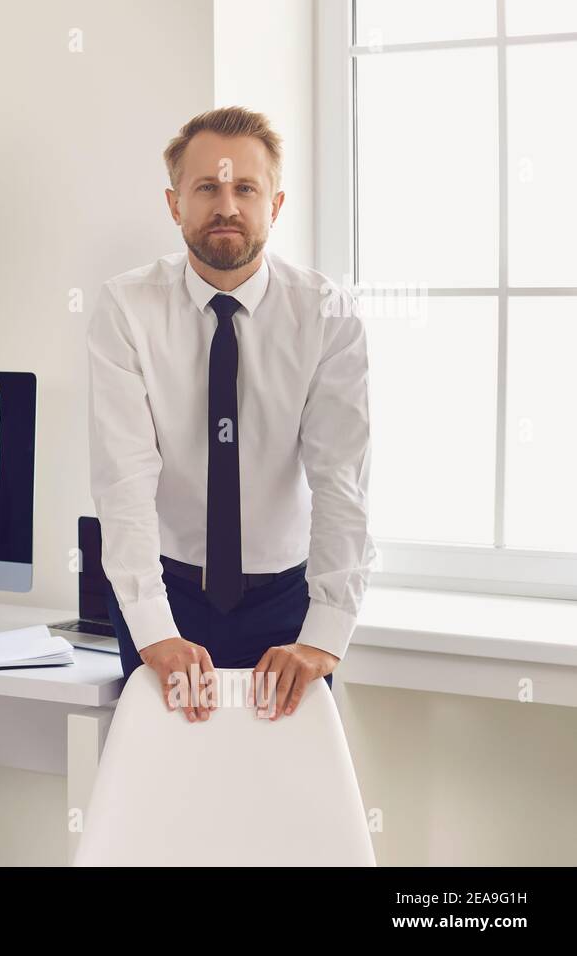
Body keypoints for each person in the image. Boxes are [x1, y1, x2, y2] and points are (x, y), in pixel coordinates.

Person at [87, 106, 376, 723]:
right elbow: (124, 481)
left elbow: (341, 481)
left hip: (285, 601)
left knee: (282, 798)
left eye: (246, 188)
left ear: (275, 204)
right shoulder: (126, 308)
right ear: (174, 204)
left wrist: (325, 633)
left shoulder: (327, 312)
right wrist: (152, 629)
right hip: (166, 591)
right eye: (207, 188)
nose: (228, 206)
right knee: (165, 790)